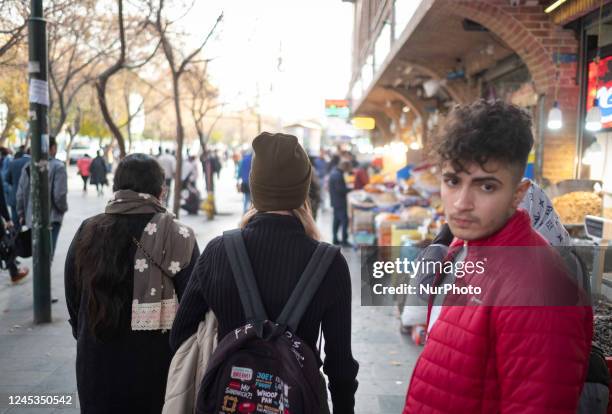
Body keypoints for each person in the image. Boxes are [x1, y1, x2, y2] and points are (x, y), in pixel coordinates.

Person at [402, 100, 593, 413]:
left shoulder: (538, 289)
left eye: (486, 186)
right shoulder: (461, 248)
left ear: (518, 194)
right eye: (452, 181)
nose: (462, 203)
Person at [170, 132, 359, 413]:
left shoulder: (218, 251)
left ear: (255, 187)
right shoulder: (330, 263)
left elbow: (180, 334)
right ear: (303, 189)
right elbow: (340, 365)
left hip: (229, 399)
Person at [64, 154, 199, 413]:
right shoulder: (180, 236)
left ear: (116, 188)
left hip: (97, 362)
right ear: (161, 191)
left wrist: (83, 331)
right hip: (160, 369)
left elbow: (73, 297)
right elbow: (195, 305)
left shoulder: (88, 230)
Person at [16, 136, 68, 259]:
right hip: (52, 219)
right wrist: (62, 209)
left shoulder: (28, 166)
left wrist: (21, 214)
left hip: (31, 219)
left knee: (38, 258)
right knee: (47, 257)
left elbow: (20, 194)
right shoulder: (58, 167)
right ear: (53, 148)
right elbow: (59, 195)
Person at [328, 160, 352, 247]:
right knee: (344, 221)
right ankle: (344, 241)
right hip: (340, 202)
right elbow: (341, 190)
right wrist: (351, 189)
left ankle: (335, 238)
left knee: (336, 221)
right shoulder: (338, 175)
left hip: (335, 201)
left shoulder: (335, 172)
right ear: (345, 167)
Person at [6, 146, 30, 223]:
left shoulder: (13, 163)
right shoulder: (31, 161)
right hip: (29, 197)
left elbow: (7, 179)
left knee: (16, 224)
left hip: (15, 196)